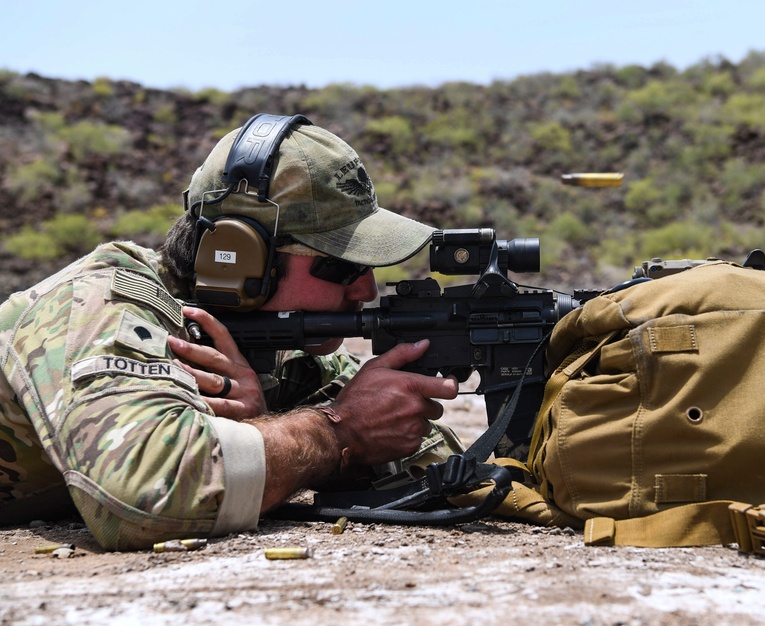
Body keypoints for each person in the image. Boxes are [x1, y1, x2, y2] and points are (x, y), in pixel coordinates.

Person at [0, 114, 461, 550]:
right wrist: (336, 433)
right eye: (343, 266)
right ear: (241, 256)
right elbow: (143, 499)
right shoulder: (98, 302)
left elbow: (432, 459)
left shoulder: (272, 345)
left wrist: (272, 434)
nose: (365, 288)